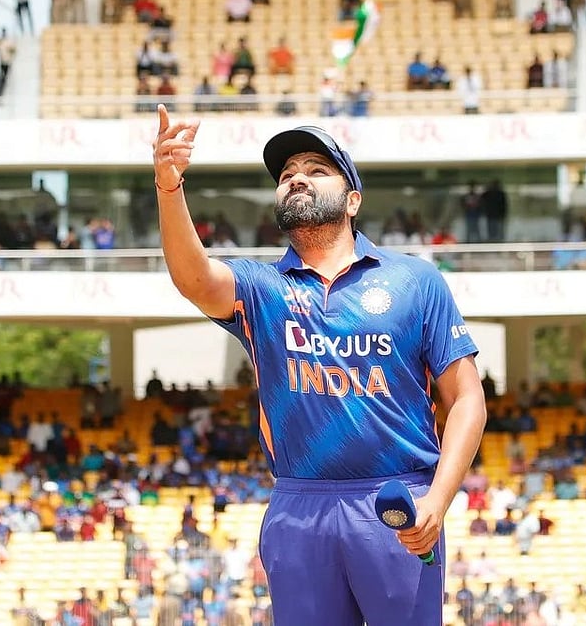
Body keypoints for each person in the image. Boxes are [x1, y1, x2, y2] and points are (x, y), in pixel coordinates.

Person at [150, 104, 487, 624]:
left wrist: (438, 501)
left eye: (315, 169)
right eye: (286, 175)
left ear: (353, 199)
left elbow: (467, 399)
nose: (297, 179)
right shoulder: (264, 289)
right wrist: (169, 189)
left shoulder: (415, 281)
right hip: (298, 507)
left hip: (394, 503)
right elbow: (194, 278)